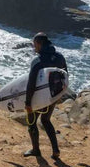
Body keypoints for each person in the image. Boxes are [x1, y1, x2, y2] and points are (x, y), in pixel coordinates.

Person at [24, 32, 67, 160]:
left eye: (34, 44)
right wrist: (59, 96)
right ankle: (55, 150)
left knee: (31, 122)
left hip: (39, 97)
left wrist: (27, 103)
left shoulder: (37, 61)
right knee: (45, 120)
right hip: (53, 96)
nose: (34, 47)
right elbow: (65, 77)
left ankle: (36, 150)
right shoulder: (60, 57)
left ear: (39, 43)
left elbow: (31, 84)